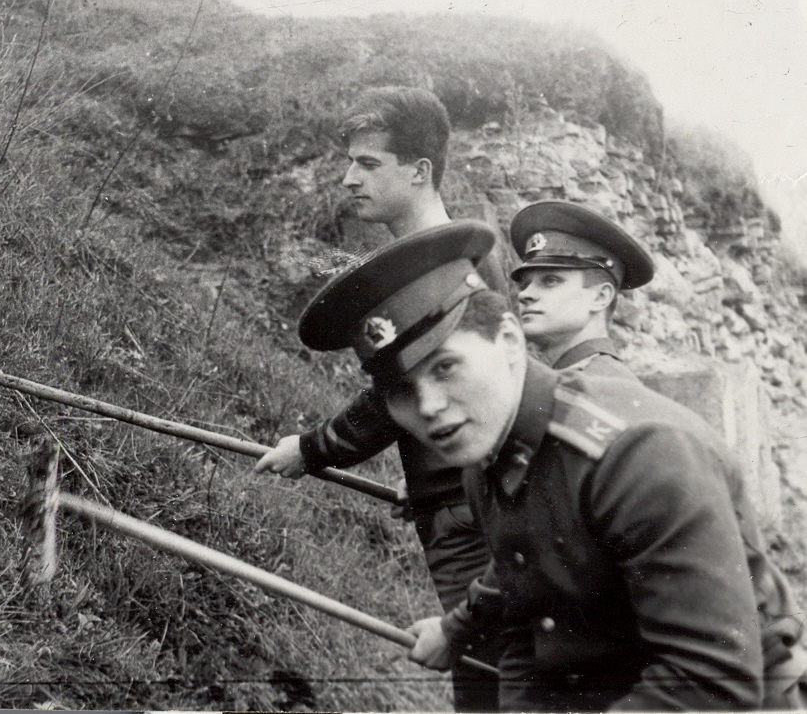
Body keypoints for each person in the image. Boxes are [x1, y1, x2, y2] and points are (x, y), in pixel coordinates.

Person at [295, 219, 807, 711]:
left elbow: (711, 681)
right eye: (402, 391)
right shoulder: (487, 454)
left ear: (509, 342)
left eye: (446, 367)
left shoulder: (636, 455)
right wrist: (462, 635)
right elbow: (527, 608)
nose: (428, 407)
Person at [254, 86, 499, 710]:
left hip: (480, 521)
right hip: (459, 505)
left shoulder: (455, 265)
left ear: (419, 171)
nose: (348, 179)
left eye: (368, 164)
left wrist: (311, 449)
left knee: (493, 683)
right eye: (349, 163)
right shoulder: (423, 260)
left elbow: (405, 394)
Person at [509, 199, 654, 380]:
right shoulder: (573, 378)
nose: (524, 294)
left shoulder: (602, 383)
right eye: (524, 285)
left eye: (550, 281)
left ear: (600, 297)